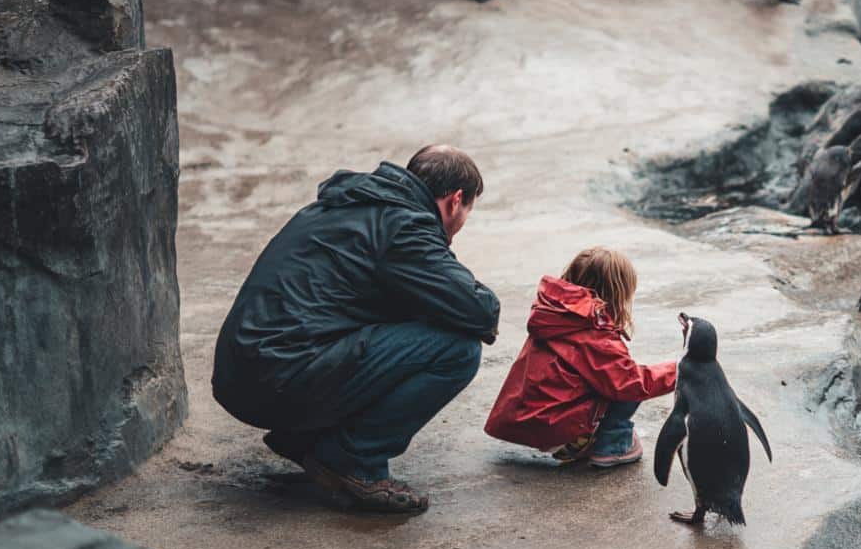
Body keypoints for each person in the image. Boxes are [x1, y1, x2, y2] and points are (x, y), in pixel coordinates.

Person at [212, 145, 499, 513]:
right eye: (465, 214)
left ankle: (309, 438)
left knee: (408, 313)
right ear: (454, 201)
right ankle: (352, 459)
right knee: (457, 349)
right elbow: (478, 310)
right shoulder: (405, 225)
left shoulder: (345, 205)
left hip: (242, 377)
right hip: (281, 378)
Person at [484, 247, 676, 468]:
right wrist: (680, 371)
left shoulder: (553, 315)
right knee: (628, 380)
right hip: (561, 431)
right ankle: (611, 445)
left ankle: (586, 440)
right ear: (616, 295)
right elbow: (630, 383)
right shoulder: (593, 332)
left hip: (527, 423)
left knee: (610, 373)